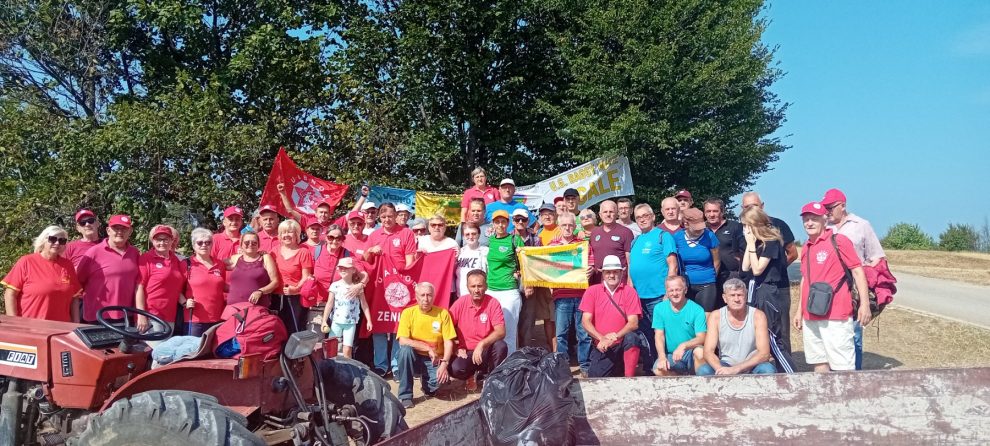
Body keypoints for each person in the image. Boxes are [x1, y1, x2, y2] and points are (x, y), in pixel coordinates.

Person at [794, 202, 872, 372]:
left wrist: (865, 304)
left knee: (843, 366)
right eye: (806, 219)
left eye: (814, 219)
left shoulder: (839, 241)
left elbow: (857, 271)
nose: (809, 223)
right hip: (811, 313)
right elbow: (805, 279)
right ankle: (824, 391)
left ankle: (845, 391)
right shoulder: (806, 246)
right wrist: (800, 310)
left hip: (836, 314)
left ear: (824, 220)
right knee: (819, 362)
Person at [821, 188, 886, 371]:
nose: (827, 211)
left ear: (842, 206)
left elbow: (877, 257)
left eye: (830, 207)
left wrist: (864, 278)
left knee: (853, 334)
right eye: (825, 208)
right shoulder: (824, 227)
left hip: (854, 290)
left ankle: (853, 377)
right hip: (829, 290)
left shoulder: (861, 225)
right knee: (830, 334)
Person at [741, 191, 798, 357]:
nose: (751, 210)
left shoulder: (776, 230)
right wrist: (750, 243)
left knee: (779, 331)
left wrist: (776, 269)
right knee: (757, 329)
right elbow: (745, 267)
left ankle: (784, 364)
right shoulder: (749, 233)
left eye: (754, 206)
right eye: (746, 207)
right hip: (756, 288)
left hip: (776, 287)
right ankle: (762, 363)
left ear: (762, 206)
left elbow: (792, 253)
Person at [364, 203, 418, 377]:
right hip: (380, 286)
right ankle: (380, 365)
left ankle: (396, 366)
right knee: (379, 325)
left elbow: (410, 263)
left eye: (390, 216)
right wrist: (371, 250)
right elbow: (366, 260)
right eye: (383, 217)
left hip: (400, 286)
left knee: (398, 326)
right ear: (379, 218)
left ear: (396, 216)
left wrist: (404, 277)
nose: (387, 220)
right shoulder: (374, 235)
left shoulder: (406, 233)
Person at [628, 204, 678, 372]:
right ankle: (650, 367)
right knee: (645, 334)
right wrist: (630, 292)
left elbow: (672, 265)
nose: (642, 219)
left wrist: (668, 292)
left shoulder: (663, 236)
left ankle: (666, 366)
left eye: (645, 216)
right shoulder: (635, 241)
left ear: (653, 217)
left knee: (661, 332)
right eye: (638, 217)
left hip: (658, 295)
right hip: (639, 297)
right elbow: (631, 268)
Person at [395, 282, 457, 409]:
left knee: (439, 384)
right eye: (422, 295)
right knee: (405, 351)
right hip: (414, 358)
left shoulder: (443, 314)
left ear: (434, 296)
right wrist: (427, 348)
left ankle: (428, 386)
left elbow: (448, 342)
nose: (426, 299)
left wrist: (444, 364)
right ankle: (405, 396)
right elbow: (402, 340)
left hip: (433, 360)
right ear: (416, 296)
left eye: (429, 295)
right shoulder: (408, 313)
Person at [697, 278, 775, 375]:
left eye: (740, 295)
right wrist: (721, 370)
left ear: (746, 296)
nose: (737, 299)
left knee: (767, 369)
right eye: (732, 295)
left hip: (752, 365)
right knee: (704, 370)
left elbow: (764, 353)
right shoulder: (716, 316)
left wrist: (736, 369)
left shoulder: (758, 316)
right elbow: (708, 352)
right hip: (726, 364)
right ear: (724, 298)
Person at [2, 226, 81, 322]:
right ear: (43, 240)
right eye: (53, 239)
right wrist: (14, 322)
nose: (57, 243)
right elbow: (10, 294)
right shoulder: (27, 262)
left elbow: (74, 298)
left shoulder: (67, 265)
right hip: (30, 326)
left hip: (61, 327)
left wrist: (76, 324)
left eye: (62, 241)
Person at [580, 255, 641, 377]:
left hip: (622, 342)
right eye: (608, 272)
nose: (612, 275)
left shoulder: (630, 292)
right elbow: (585, 321)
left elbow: (633, 323)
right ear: (603, 273)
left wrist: (614, 337)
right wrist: (602, 338)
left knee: (632, 338)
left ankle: (629, 378)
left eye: (615, 272)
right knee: (595, 378)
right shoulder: (592, 291)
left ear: (621, 273)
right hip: (602, 345)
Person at [449, 270, 508, 391]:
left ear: (486, 286)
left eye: (480, 286)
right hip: (467, 352)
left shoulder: (493, 303)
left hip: (485, 350)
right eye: (473, 286)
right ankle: (471, 375)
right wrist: (455, 347)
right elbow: (446, 327)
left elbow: (501, 331)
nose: (476, 290)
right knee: (454, 369)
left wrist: (482, 344)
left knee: (501, 346)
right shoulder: (460, 303)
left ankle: (490, 379)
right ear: (467, 287)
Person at [548, 212, 591, 376]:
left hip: (581, 295)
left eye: (570, 225)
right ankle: (563, 368)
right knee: (561, 335)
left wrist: (591, 269)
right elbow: (544, 266)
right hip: (561, 296)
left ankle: (585, 366)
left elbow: (591, 263)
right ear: (559, 227)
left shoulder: (582, 245)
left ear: (575, 226)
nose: (567, 228)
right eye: (564, 225)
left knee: (584, 334)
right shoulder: (551, 246)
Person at [76, 214, 140, 324]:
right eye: (116, 228)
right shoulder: (93, 253)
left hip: (126, 315)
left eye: (124, 229)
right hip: (98, 316)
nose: (120, 232)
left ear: (130, 231)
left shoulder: (134, 253)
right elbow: (78, 281)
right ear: (108, 230)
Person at [135, 225, 187, 338]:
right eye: (158, 239)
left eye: (165, 239)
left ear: (172, 241)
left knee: (165, 348)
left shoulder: (175, 260)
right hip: (151, 315)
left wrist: (184, 302)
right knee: (156, 348)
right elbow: (139, 287)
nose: (162, 243)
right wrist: (141, 315)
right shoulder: (146, 259)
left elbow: (174, 286)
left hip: (170, 315)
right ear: (153, 241)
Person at [485, 210, 525, 353]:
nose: (500, 225)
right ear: (493, 224)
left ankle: (510, 363)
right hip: (490, 291)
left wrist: (520, 273)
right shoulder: (489, 240)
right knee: (490, 330)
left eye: (503, 222)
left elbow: (525, 262)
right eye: (497, 222)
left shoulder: (515, 239)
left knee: (508, 332)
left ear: (508, 224)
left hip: (509, 291)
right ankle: (493, 363)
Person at [652, 275, 706, 376]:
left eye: (678, 290)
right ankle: (680, 382)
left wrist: (683, 346)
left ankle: (700, 381)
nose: (675, 293)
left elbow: (701, 338)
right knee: (658, 369)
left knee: (700, 352)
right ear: (667, 292)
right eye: (671, 290)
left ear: (685, 290)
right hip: (671, 355)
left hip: (690, 352)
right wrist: (662, 357)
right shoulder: (659, 309)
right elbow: (659, 335)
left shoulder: (697, 310)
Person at [320, 258, 373, 358]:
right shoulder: (335, 285)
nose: (343, 270)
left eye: (346, 268)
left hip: (351, 323)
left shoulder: (357, 287)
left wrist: (369, 320)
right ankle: (331, 366)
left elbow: (364, 304)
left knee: (347, 349)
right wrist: (324, 321)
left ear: (353, 270)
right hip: (336, 322)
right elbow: (329, 304)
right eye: (341, 268)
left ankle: (347, 366)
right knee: (332, 348)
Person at [518, 207, 555, 351]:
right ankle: (513, 350)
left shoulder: (536, 239)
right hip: (513, 283)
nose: (520, 222)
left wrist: (529, 284)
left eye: (523, 219)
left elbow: (538, 262)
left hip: (531, 283)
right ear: (513, 222)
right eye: (517, 219)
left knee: (529, 319)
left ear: (528, 221)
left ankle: (526, 351)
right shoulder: (509, 238)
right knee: (514, 318)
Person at [673, 208, 720, 313]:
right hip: (685, 285)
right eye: (696, 228)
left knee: (704, 316)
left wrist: (712, 278)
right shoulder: (677, 237)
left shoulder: (710, 236)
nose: (700, 230)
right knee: (687, 316)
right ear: (686, 224)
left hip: (707, 283)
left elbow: (716, 261)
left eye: (701, 227)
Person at [272, 219, 314, 333]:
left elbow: (306, 276)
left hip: (294, 297)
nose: (286, 235)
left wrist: (295, 289)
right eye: (283, 232)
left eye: (290, 232)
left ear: (296, 234)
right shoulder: (274, 251)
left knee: (293, 329)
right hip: (275, 297)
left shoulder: (303, 252)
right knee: (276, 329)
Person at [185, 228, 227, 336]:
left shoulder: (220, 264)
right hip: (195, 318)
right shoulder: (186, 264)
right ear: (193, 245)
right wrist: (184, 302)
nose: (204, 245)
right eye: (200, 243)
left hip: (217, 317)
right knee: (194, 347)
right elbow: (176, 289)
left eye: (208, 242)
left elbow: (222, 286)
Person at [225, 231, 280, 307]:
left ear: (258, 245)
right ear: (241, 244)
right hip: (234, 307)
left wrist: (261, 291)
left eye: (254, 243)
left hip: (256, 307)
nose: (250, 245)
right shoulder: (236, 258)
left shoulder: (265, 258)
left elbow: (275, 282)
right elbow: (216, 264)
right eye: (247, 242)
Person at [588, 200, 634, 285]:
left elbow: (630, 261)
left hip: (619, 282)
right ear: (600, 215)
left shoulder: (626, 232)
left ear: (617, 214)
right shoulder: (594, 233)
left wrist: (630, 282)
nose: (608, 214)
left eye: (611, 212)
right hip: (597, 282)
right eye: (605, 212)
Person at [704, 198, 745, 286]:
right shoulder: (701, 229)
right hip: (707, 276)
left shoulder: (735, 227)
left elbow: (743, 251)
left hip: (732, 276)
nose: (711, 214)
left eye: (715, 211)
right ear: (704, 213)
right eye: (708, 211)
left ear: (722, 212)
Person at [455, 224, 488, 298]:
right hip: (461, 296)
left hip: (479, 296)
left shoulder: (486, 251)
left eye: (474, 234)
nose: (470, 237)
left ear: (479, 235)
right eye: (467, 234)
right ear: (463, 236)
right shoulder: (460, 252)